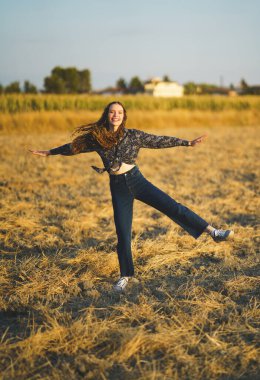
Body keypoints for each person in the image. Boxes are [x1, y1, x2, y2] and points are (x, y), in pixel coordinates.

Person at [30, 101, 234, 292]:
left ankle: (213, 232)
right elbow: (73, 147)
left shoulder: (133, 135)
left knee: (173, 207)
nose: (115, 115)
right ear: (106, 115)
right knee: (123, 232)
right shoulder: (97, 138)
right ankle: (126, 275)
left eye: (119, 112)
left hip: (138, 181)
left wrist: (187, 143)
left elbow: (158, 140)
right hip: (118, 187)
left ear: (124, 116)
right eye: (112, 112)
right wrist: (50, 152)